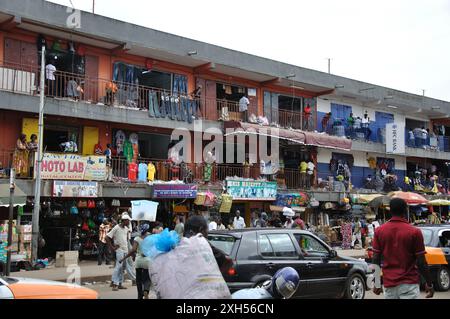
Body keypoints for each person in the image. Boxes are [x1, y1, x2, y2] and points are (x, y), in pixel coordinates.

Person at [372, 198, 434, 299]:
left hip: (389, 285)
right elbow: (421, 262)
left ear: (390, 210)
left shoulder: (379, 231)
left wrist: (377, 282)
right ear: (405, 211)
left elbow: (375, 259)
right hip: (409, 284)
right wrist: (429, 284)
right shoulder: (414, 232)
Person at [120, 223, 151, 299]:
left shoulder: (137, 238)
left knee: (139, 280)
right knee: (147, 278)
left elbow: (133, 250)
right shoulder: (150, 237)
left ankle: (140, 296)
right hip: (147, 261)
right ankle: (146, 290)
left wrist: (124, 258)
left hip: (138, 261)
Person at [106, 213, 136, 291]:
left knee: (122, 268)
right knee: (118, 267)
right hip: (119, 250)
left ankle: (119, 283)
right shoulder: (116, 228)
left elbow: (126, 240)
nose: (129, 222)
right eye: (128, 221)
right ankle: (115, 284)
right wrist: (112, 247)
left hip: (125, 250)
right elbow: (107, 237)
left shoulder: (126, 229)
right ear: (124, 220)